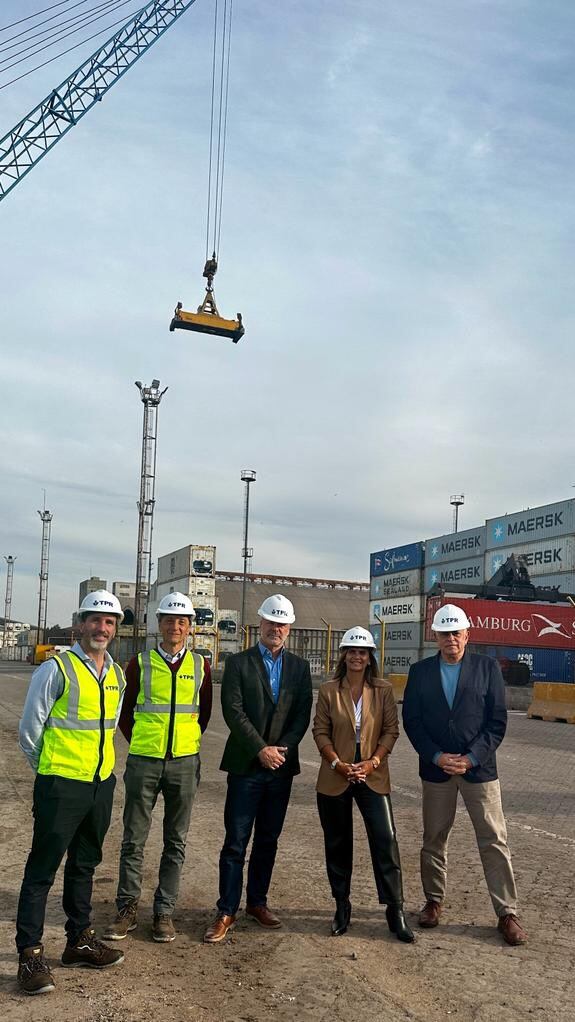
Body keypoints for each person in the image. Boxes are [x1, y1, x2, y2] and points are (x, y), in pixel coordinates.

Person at [16, 590, 126, 996]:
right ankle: (29, 955)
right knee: (41, 871)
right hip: (62, 786)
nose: (102, 628)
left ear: (115, 629)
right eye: (95, 620)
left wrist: (102, 776)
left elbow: (110, 728)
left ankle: (78, 941)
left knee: (84, 865)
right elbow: (30, 732)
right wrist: (51, 775)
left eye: (109, 622)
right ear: (80, 623)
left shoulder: (117, 673)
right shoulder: (56, 669)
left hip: (100, 785)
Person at [402, 603, 527, 946]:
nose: (451, 639)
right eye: (445, 633)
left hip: (479, 771)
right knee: (433, 838)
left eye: (456, 632)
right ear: (436, 637)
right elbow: (412, 721)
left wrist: (471, 758)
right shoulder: (420, 672)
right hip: (437, 770)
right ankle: (433, 901)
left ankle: (507, 913)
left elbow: (497, 721)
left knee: (494, 840)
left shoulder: (487, 669)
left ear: (467, 635)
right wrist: (437, 755)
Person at [203, 594, 313, 943]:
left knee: (268, 839)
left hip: (280, 767)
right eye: (270, 622)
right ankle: (226, 910)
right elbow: (233, 711)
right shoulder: (238, 663)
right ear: (260, 624)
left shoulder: (299, 668)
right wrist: (261, 749)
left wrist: (281, 751)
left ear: (289, 628)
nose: (276, 628)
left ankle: (257, 903)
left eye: (282, 624)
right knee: (236, 841)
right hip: (246, 766)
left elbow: (302, 715)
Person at [103, 593, 212, 944]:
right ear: (159, 624)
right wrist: (145, 743)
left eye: (182, 621)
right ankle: (127, 909)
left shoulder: (200, 666)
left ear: (189, 627)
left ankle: (164, 912)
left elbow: (203, 713)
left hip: (183, 763)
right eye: (169, 619)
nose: (175, 626)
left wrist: (183, 743)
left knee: (175, 841)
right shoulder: (139, 663)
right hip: (144, 762)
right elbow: (125, 711)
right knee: (133, 839)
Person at [313, 627, 414, 942]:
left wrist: (372, 763)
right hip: (336, 776)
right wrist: (338, 765)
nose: (357, 657)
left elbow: (390, 731)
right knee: (338, 843)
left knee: (386, 839)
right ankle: (342, 906)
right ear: (344, 655)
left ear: (371, 657)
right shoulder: (329, 690)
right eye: (352, 651)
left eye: (363, 652)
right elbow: (320, 731)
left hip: (373, 776)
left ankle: (394, 909)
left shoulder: (382, 689)